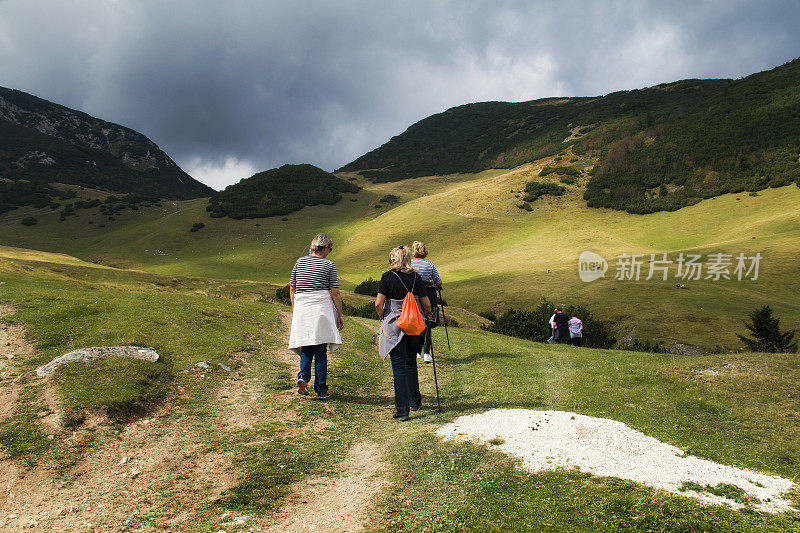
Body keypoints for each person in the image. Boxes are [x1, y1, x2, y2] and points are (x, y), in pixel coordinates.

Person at [375, 246, 432, 421]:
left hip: (395, 324)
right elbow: (426, 303)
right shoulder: (416, 277)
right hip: (414, 325)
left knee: (398, 366)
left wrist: (383, 317)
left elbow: (378, 303)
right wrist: (427, 315)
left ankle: (402, 411)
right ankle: (415, 401)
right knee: (410, 363)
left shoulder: (387, 277)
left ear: (393, 260)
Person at [288, 233, 344, 400]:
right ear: (325, 248)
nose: (329, 253)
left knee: (306, 345)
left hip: (302, 307)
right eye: (330, 249)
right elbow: (335, 292)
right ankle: (321, 389)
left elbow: (292, 289)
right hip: (320, 307)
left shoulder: (300, 262)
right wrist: (339, 314)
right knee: (320, 349)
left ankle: (303, 377)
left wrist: (295, 310)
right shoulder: (328, 265)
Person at [410, 241, 442, 363]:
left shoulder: (410, 264)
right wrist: (439, 287)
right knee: (427, 322)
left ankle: (417, 352)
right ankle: (427, 353)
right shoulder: (430, 264)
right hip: (428, 294)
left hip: (414, 296)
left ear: (414, 251)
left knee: (416, 321)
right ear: (425, 251)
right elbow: (438, 281)